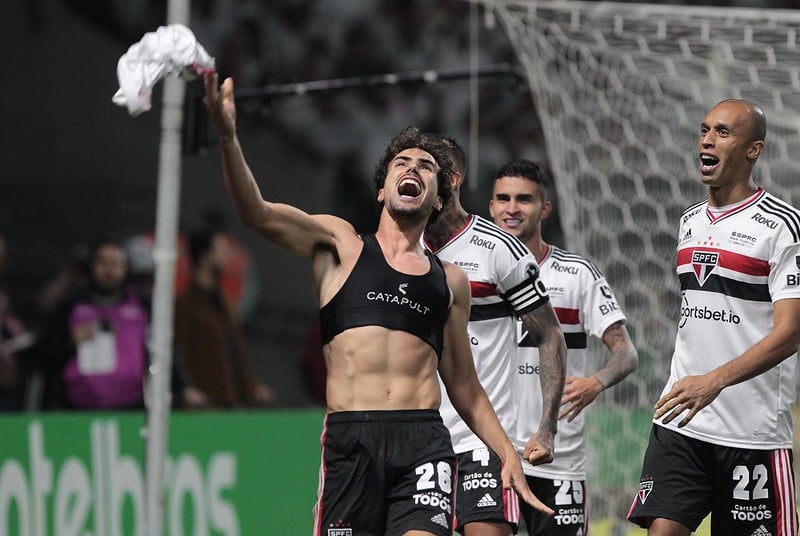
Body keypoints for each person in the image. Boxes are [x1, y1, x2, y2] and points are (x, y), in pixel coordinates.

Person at [203, 71, 550, 535]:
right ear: (383, 189)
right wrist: (228, 137)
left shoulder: (450, 281)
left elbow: (464, 386)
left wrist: (506, 453)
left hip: (424, 441)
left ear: (438, 199)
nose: (413, 169)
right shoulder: (339, 245)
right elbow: (256, 212)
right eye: (401, 163)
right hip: (352, 440)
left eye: (426, 167)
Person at [627, 99, 800, 535]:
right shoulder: (688, 221)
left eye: (723, 132)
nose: (707, 139)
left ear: (753, 149)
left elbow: (792, 333)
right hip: (680, 421)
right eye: (705, 130)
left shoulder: (782, 227)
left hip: (751, 434)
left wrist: (714, 380)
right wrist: (696, 383)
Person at [423, 137, 567, 535]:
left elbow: (550, 334)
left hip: (483, 442)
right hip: (417, 438)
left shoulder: (497, 249)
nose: (416, 176)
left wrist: (547, 426)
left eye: (428, 168)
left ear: (451, 178)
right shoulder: (401, 250)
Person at [489, 159, 639, 535]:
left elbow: (626, 351)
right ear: (490, 206)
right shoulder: (470, 272)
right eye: (502, 199)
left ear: (544, 208)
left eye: (524, 199)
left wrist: (597, 382)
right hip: (490, 450)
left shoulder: (577, 274)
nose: (511, 208)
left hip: (558, 456)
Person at [174, 224, 275, 409]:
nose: (227, 257)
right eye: (221, 250)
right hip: (204, 407)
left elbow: (236, 350)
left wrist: (251, 386)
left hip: (233, 403)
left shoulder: (224, 301)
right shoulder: (185, 305)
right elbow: (178, 353)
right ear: (205, 256)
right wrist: (186, 389)